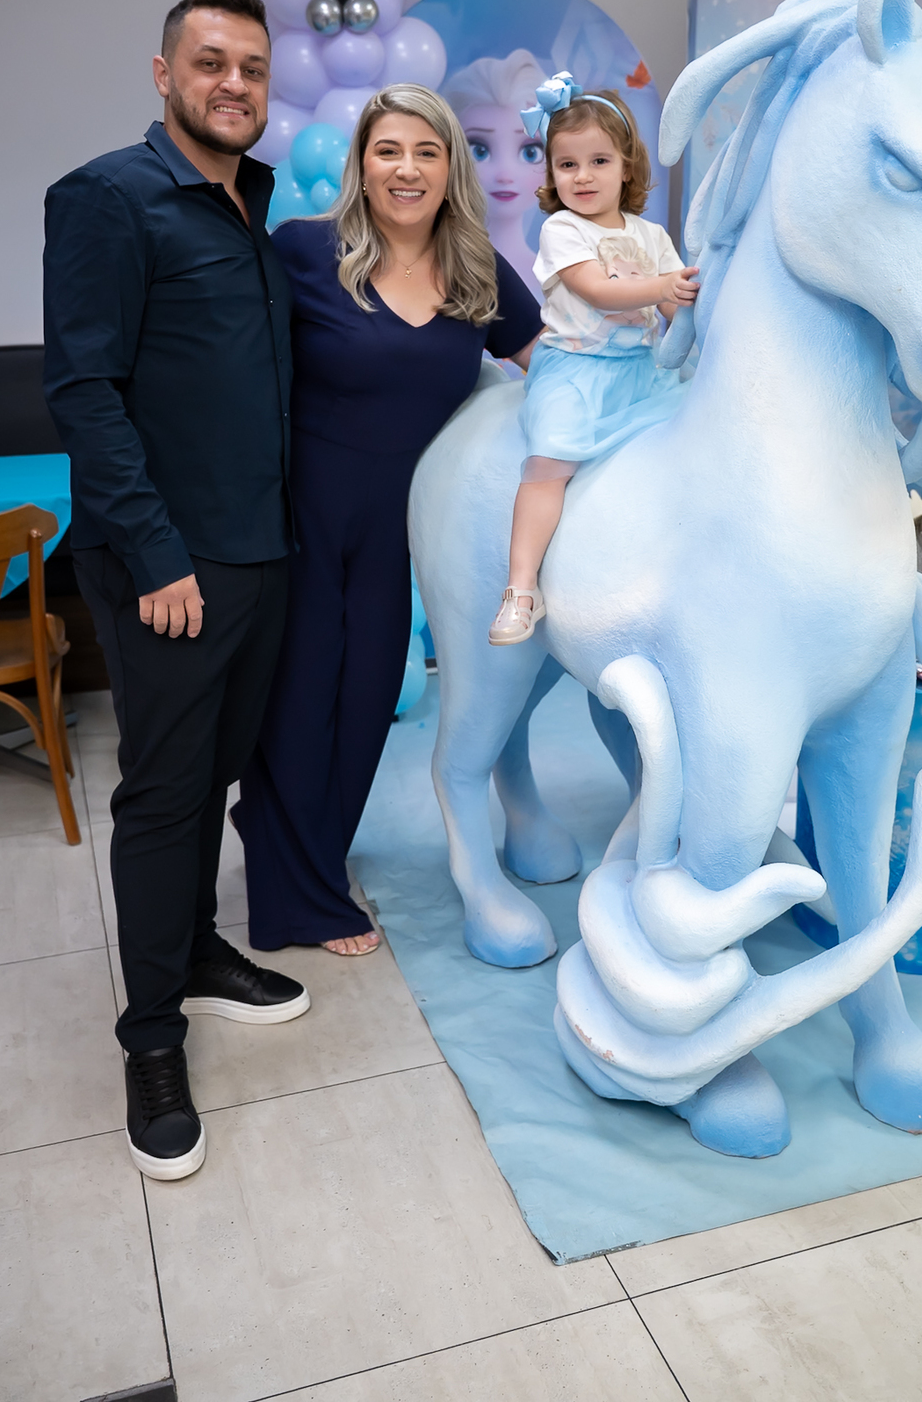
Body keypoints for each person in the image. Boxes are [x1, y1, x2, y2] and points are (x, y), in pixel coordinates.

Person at [43, 0, 309, 1182]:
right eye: (211, 62)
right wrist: (156, 555)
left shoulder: (253, 202)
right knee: (161, 796)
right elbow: (83, 391)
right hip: (169, 568)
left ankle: (196, 949)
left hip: (259, 552)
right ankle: (150, 1038)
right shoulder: (107, 197)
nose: (234, 83)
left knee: (215, 773)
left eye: (251, 65)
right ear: (164, 74)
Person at [232, 84, 541, 956]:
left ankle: (301, 849)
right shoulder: (304, 250)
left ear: (450, 169)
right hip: (295, 518)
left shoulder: (476, 268)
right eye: (388, 150)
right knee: (297, 705)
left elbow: (551, 359)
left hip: (394, 533)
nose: (407, 169)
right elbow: (232, 366)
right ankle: (300, 901)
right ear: (362, 164)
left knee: (366, 705)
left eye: (427, 152)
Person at [489, 74, 700, 646]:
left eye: (599, 161)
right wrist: (665, 287)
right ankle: (521, 587)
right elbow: (598, 291)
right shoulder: (563, 230)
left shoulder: (651, 235)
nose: (582, 176)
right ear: (551, 174)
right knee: (547, 465)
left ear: (627, 167)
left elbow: (676, 310)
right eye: (567, 165)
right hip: (577, 372)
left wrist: (693, 310)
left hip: (643, 373)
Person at [443, 49, 549, 299]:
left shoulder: (561, 281)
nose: (505, 174)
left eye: (530, 152)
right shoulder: (431, 272)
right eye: (479, 151)